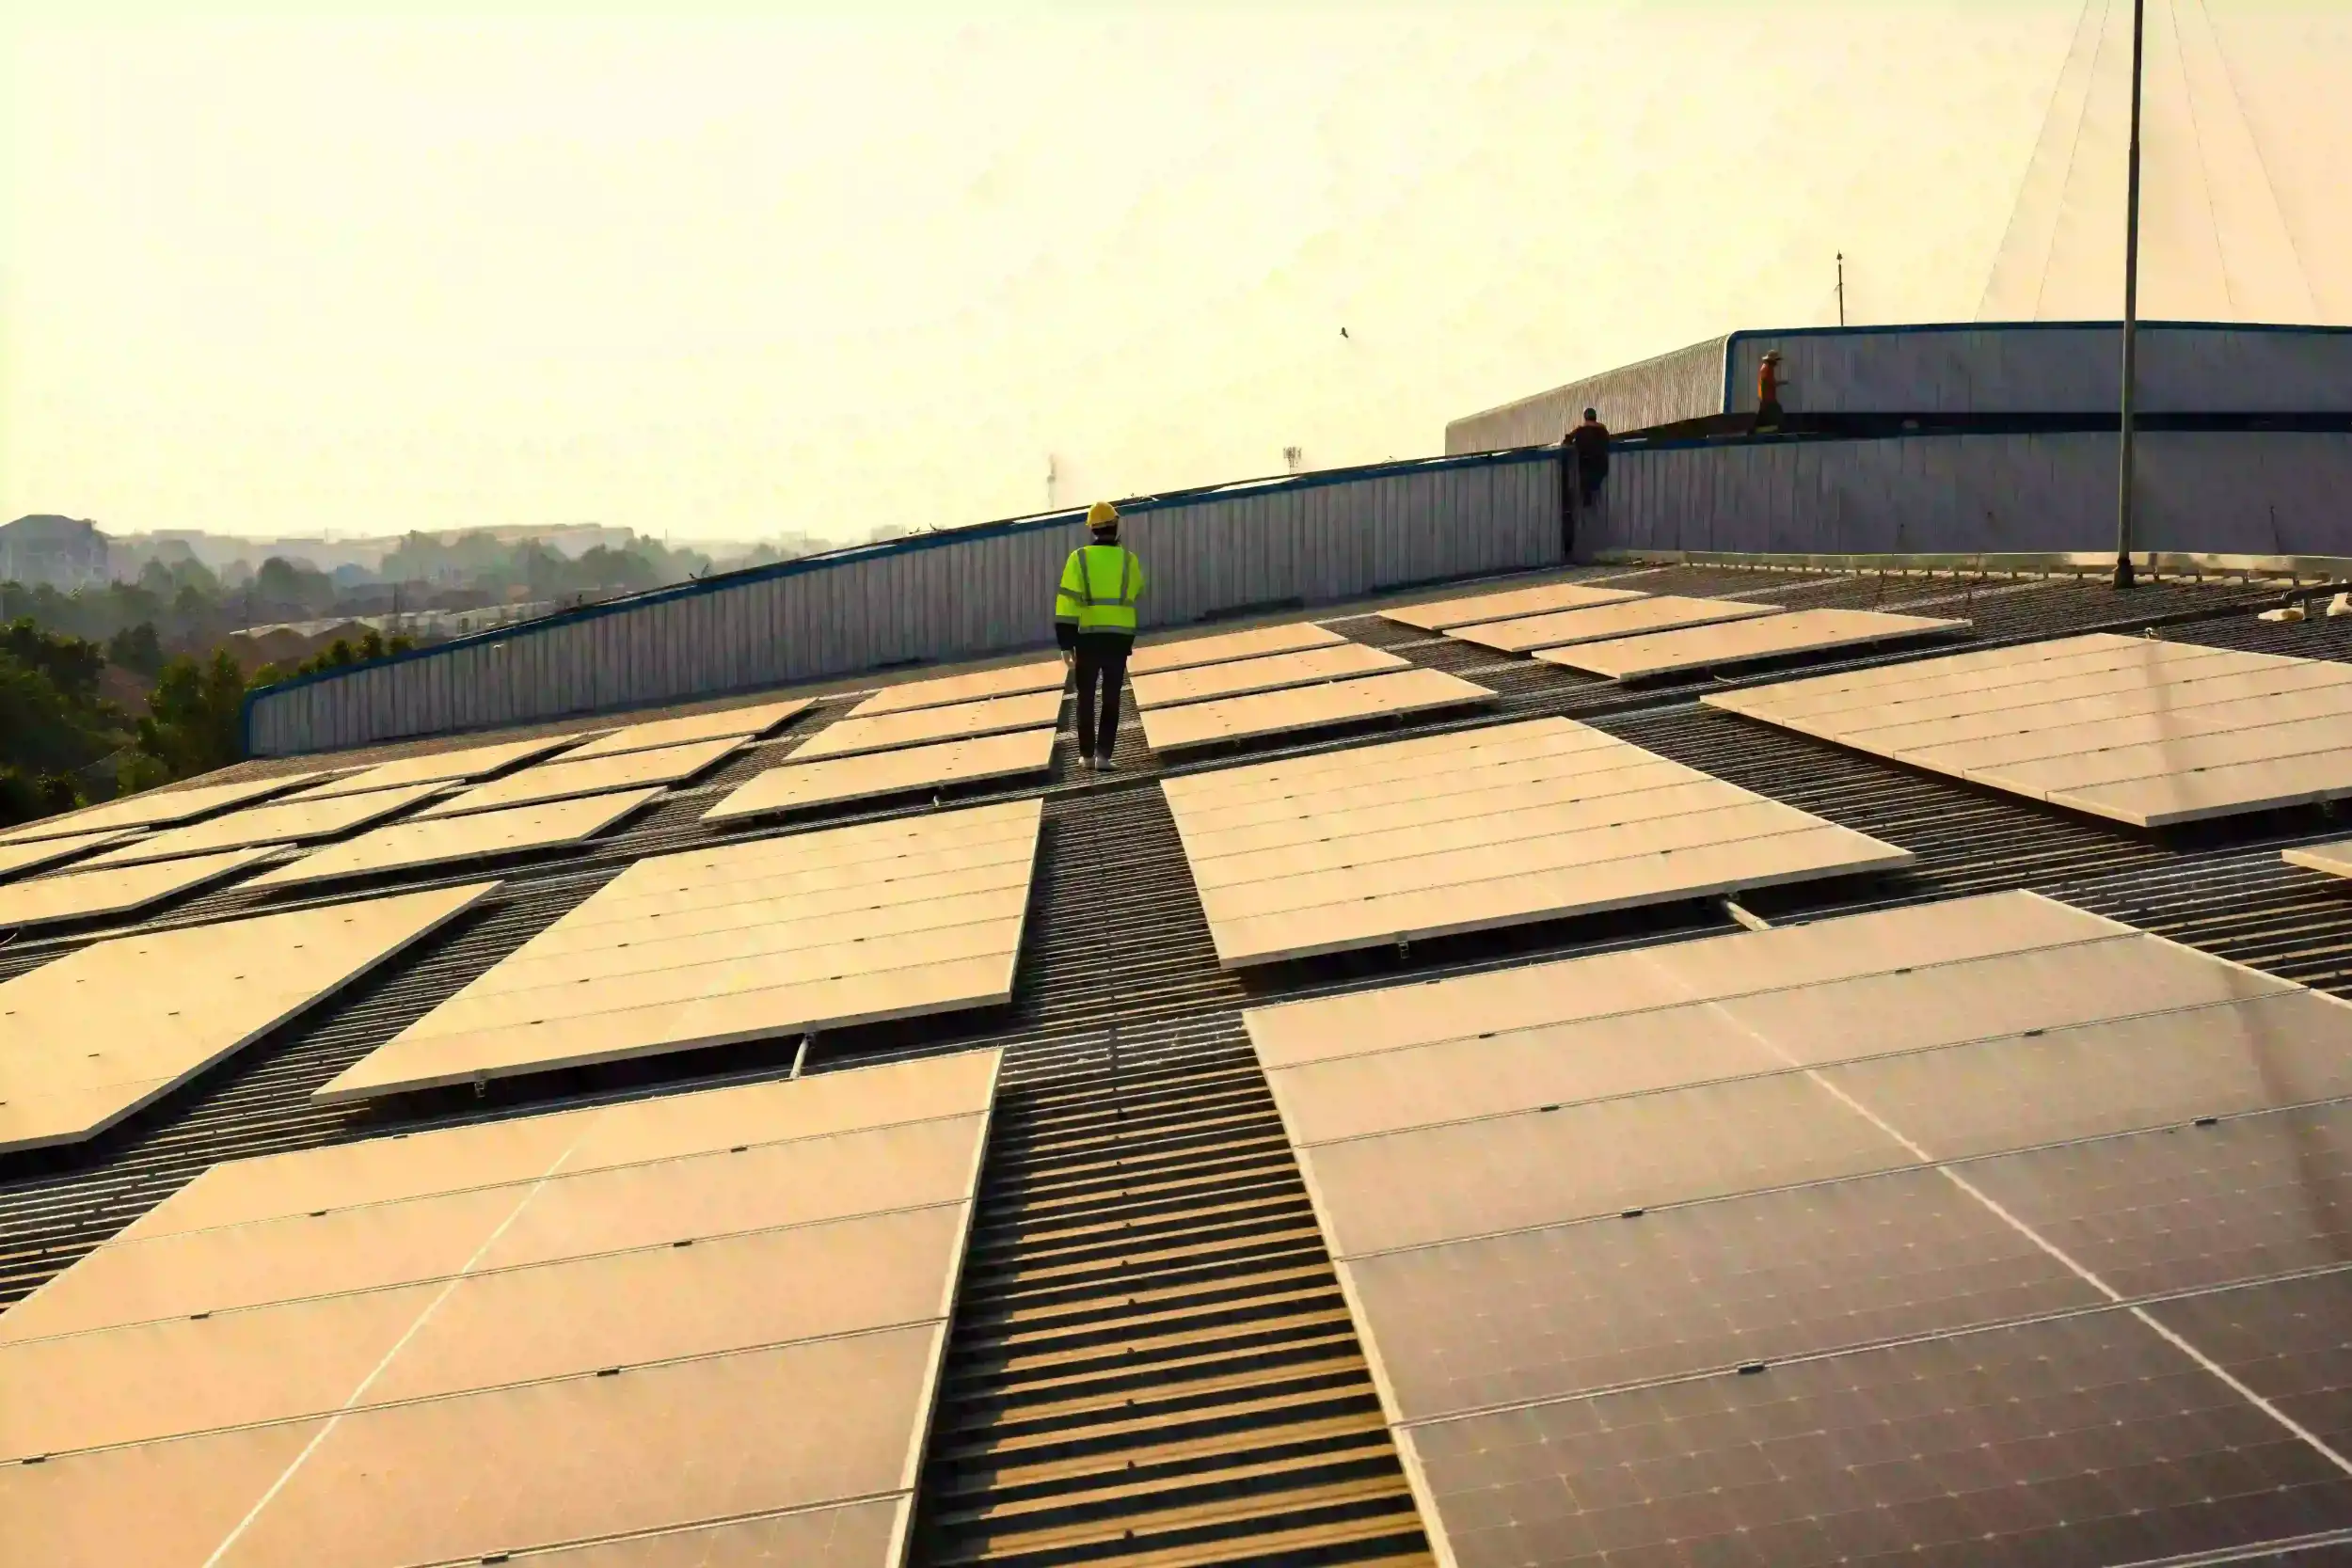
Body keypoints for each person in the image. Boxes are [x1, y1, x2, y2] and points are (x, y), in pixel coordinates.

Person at [1055, 500, 1146, 772]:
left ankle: (1086, 756)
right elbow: (1136, 591)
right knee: (1111, 697)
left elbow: (1067, 602)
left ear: (1092, 529)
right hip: (1118, 639)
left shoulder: (1079, 559)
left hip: (1087, 638)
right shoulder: (1129, 560)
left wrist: (1065, 642)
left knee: (1085, 698)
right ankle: (1104, 755)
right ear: (1116, 526)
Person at [1755, 351, 1789, 435]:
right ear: (1772, 361)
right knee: (1777, 414)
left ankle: (1761, 430)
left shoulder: (1766, 368)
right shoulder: (1767, 369)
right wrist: (1783, 382)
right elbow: (1771, 383)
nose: (1777, 363)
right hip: (1768, 398)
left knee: (1766, 415)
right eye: (1776, 360)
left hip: (1766, 398)